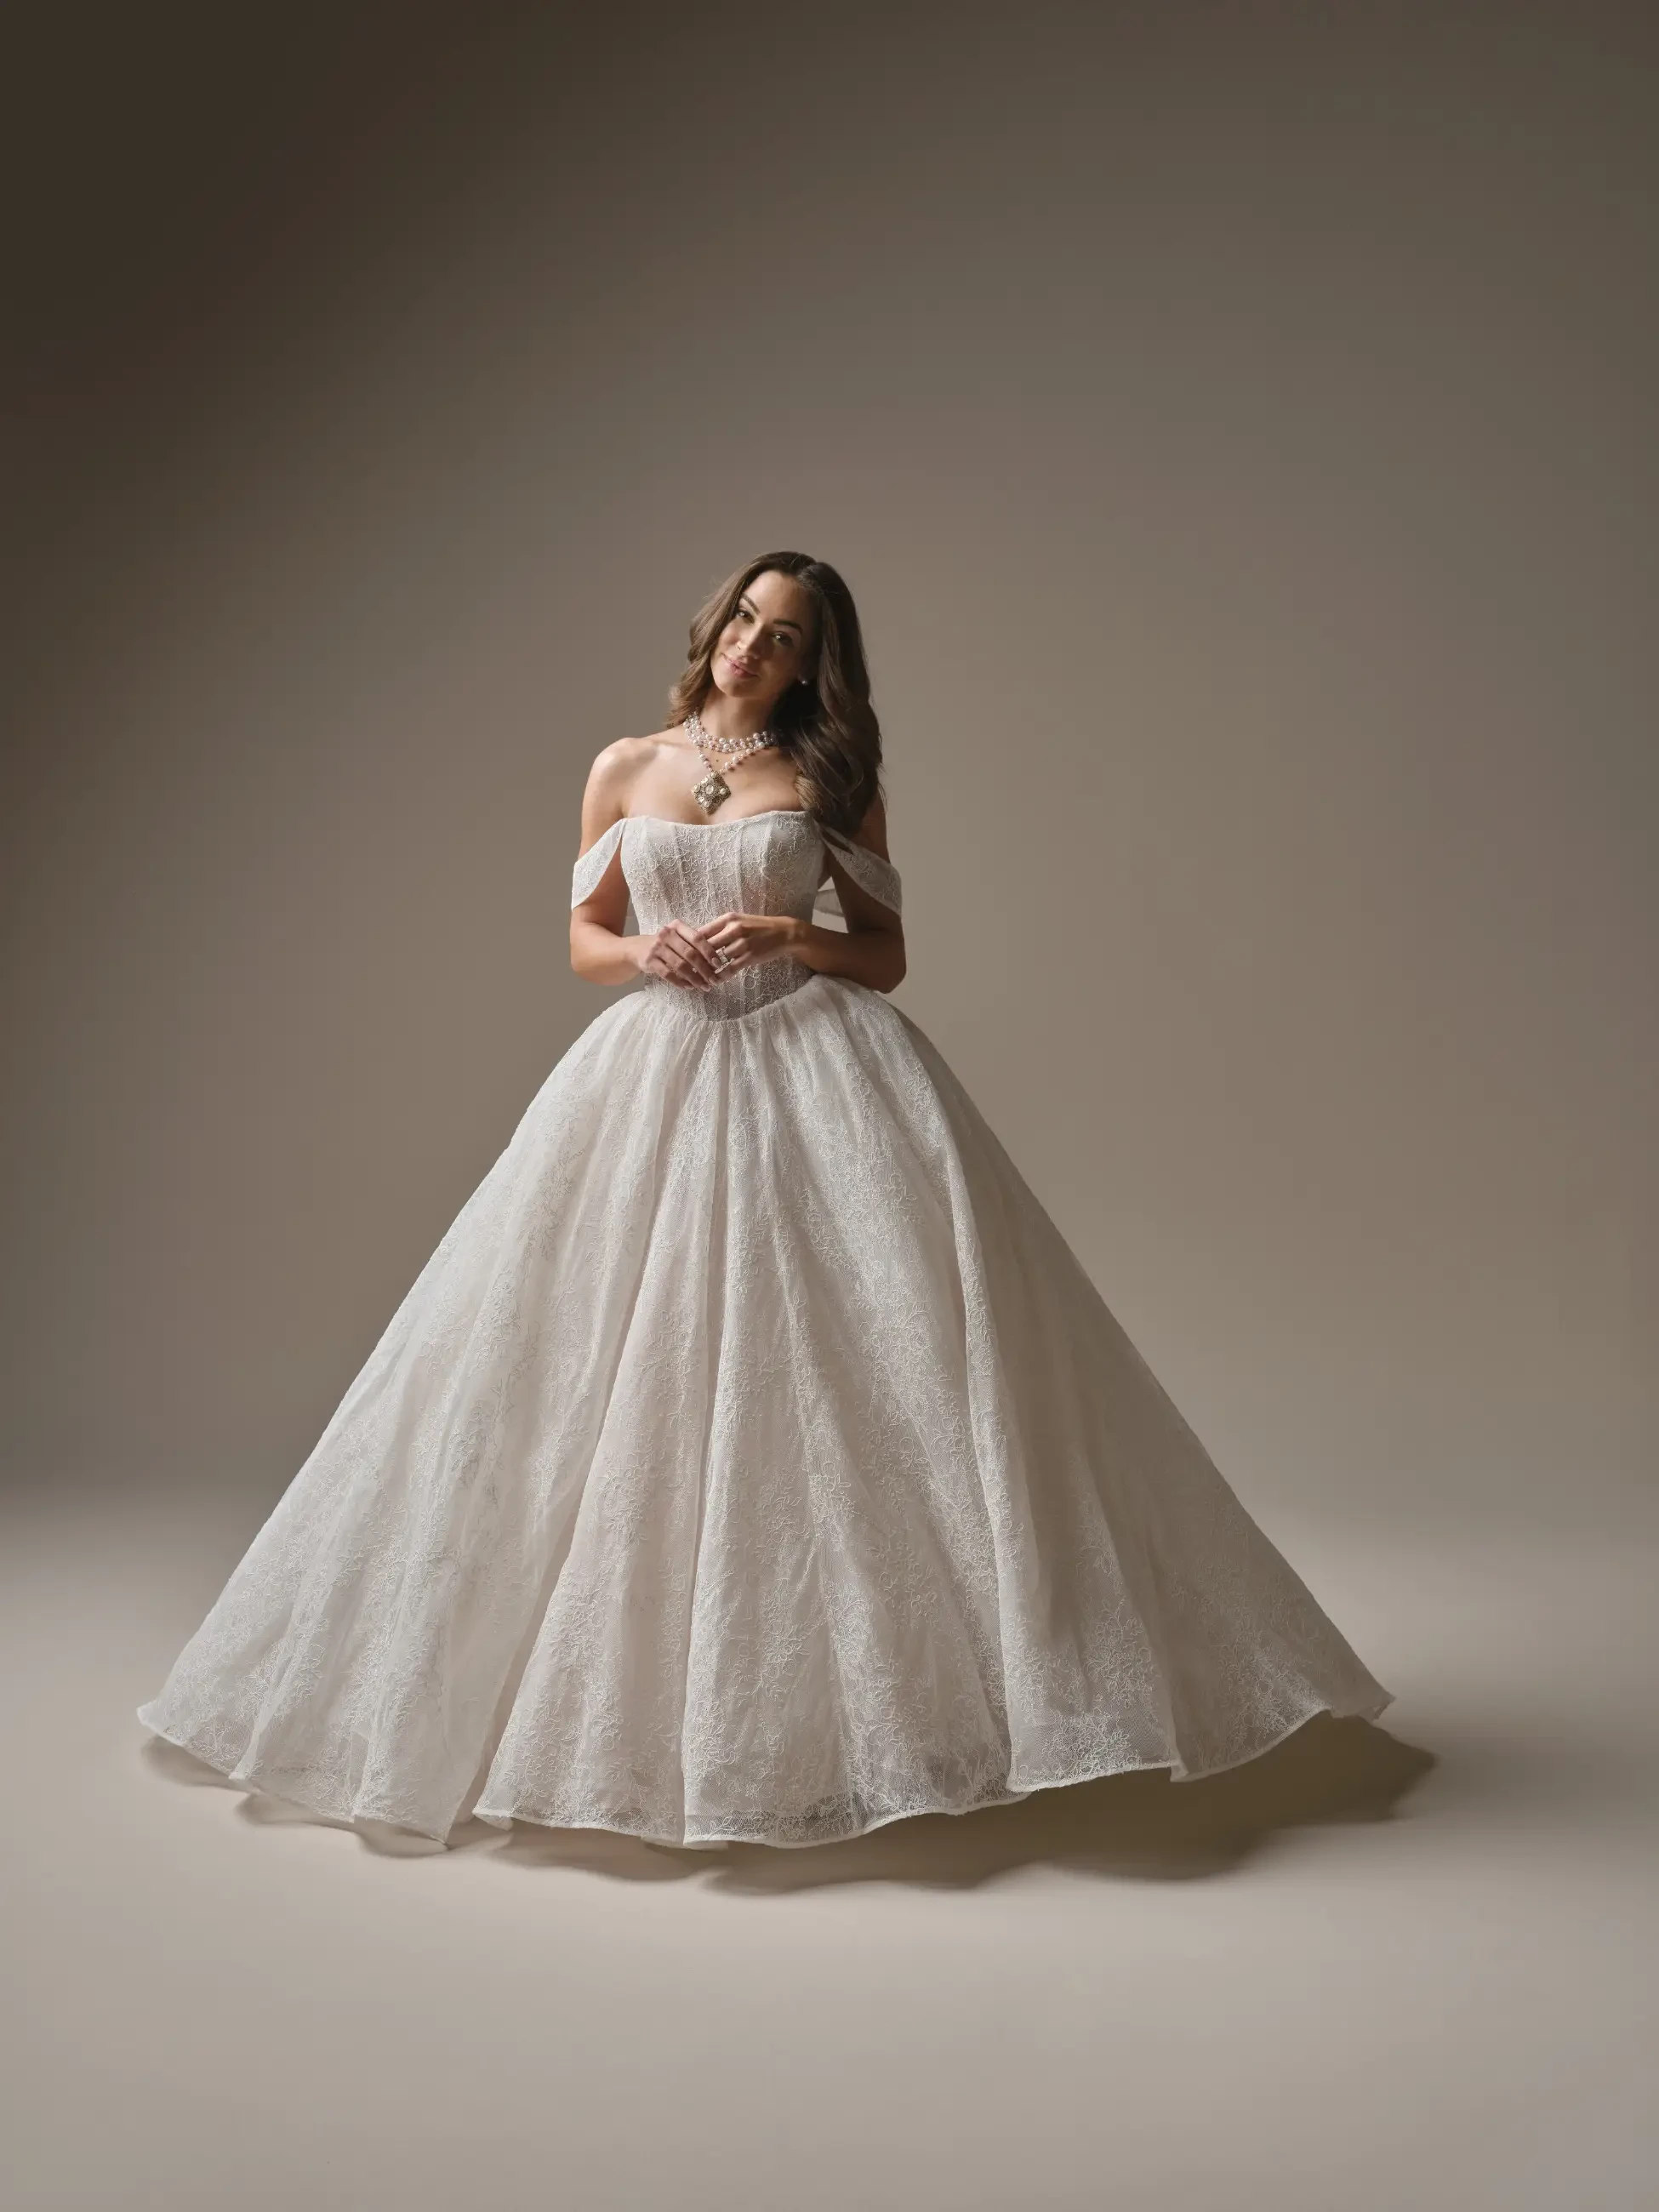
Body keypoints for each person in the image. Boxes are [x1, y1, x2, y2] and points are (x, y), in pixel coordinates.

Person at [137, 550, 1392, 1850]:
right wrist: (645, 951)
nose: (754, 645)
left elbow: (887, 958)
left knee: (863, 1383)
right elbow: (582, 939)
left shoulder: (834, 781)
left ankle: (885, 1720)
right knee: (592, 1372)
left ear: (813, 665)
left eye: (786, 637)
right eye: (745, 618)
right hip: (651, 1078)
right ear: (715, 623)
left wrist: (791, 936)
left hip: (817, 1076)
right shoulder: (624, 764)